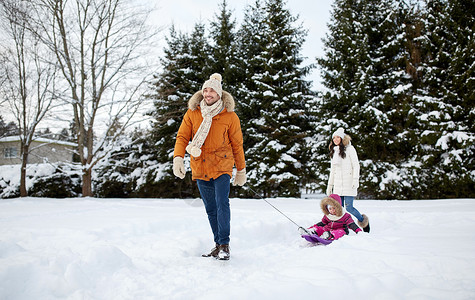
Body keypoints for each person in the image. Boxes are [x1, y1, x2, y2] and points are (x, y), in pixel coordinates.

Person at [172, 73, 246, 260]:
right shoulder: (193, 113)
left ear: (219, 93)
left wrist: (241, 169)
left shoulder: (230, 116)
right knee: (210, 208)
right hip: (200, 166)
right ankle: (217, 244)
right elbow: (182, 137)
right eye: (205, 89)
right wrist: (178, 158)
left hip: (222, 165)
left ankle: (224, 245)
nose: (208, 93)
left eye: (212, 89)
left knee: (222, 204)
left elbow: (237, 145)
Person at [326, 127, 370, 233]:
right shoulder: (334, 152)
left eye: (337, 137)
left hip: (349, 183)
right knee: (338, 208)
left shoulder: (350, 149)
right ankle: (343, 228)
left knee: (349, 207)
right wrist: (330, 185)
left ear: (342, 138)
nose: (335, 140)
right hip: (337, 184)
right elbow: (333, 170)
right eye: (334, 138)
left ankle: (363, 221)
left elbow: (356, 165)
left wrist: (355, 179)